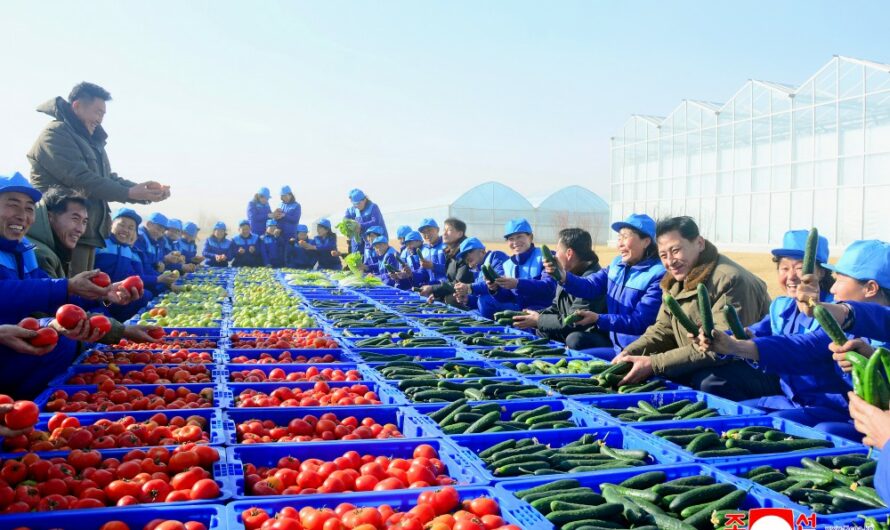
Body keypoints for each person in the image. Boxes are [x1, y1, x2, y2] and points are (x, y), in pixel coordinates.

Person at [615, 216, 780, 401]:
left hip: (752, 366)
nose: (670, 261)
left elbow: (721, 346)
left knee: (706, 382)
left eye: (676, 250)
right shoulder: (673, 282)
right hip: (706, 359)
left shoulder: (730, 280)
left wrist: (655, 363)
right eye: (663, 255)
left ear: (699, 243)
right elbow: (663, 329)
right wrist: (629, 352)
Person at [0, 174, 136, 398]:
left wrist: (102, 295)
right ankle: (23, 410)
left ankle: (27, 412)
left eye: (29, 209)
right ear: (51, 217)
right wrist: (68, 289)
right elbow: (11, 293)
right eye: (12, 205)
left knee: (61, 338)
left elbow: (48, 294)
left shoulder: (24, 251)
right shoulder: (36, 250)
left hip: (15, 335)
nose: (22, 216)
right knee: (61, 343)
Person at [27, 82, 169, 275]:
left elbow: (106, 178)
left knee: (83, 294)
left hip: (86, 231)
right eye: (98, 112)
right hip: (59, 230)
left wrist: (142, 192)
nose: (99, 120)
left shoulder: (91, 142)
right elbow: (80, 178)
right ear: (77, 106)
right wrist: (128, 192)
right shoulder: (56, 134)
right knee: (63, 291)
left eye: (103, 115)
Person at [542, 214, 666, 354]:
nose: (620, 244)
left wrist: (599, 319)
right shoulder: (617, 265)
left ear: (646, 241)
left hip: (641, 352)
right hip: (617, 348)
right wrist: (564, 277)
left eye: (625, 237)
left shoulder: (658, 274)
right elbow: (590, 286)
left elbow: (640, 322)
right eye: (619, 238)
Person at [515, 228, 611, 350]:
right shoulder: (565, 273)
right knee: (543, 331)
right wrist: (532, 316)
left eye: (558, 250)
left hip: (592, 333)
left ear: (569, 253)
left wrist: (539, 320)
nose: (555, 255)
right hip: (568, 327)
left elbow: (576, 321)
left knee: (574, 339)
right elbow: (556, 308)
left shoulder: (593, 280)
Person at [473, 218, 555, 319]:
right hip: (522, 314)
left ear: (531, 237)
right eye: (511, 239)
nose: (515, 242)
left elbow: (549, 287)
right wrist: (496, 289)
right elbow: (509, 297)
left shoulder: (545, 256)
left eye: (519, 236)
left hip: (546, 314)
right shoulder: (508, 264)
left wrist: (518, 283)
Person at [424, 218, 474, 307]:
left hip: (467, 298)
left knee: (450, 299)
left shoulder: (465, 254)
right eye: (444, 230)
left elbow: (459, 283)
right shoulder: (450, 252)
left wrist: (433, 289)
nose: (444, 233)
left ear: (460, 234)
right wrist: (436, 294)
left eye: (449, 230)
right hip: (456, 294)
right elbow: (450, 279)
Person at [452, 238, 508, 310]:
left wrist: (470, 287)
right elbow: (478, 300)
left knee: (484, 300)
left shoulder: (496, 256)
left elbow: (498, 281)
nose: (466, 256)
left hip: (509, 306)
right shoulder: (477, 272)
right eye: (464, 256)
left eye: (469, 251)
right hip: (489, 309)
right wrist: (468, 299)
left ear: (482, 251)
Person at [344, 189, 387, 255]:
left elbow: (375, 221)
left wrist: (360, 226)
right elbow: (346, 217)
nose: (357, 206)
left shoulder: (373, 207)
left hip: (377, 239)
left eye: (358, 203)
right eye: (354, 204)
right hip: (365, 240)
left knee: (377, 258)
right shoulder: (355, 209)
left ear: (364, 200)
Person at [417, 218, 447, 285]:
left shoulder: (447, 246)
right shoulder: (423, 250)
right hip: (431, 290)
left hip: (447, 289)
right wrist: (410, 274)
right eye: (423, 232)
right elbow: (423, 273)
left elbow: (453, 270)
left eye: (429, 230)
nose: (427, 234)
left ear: (438, 230)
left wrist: (434, 266)